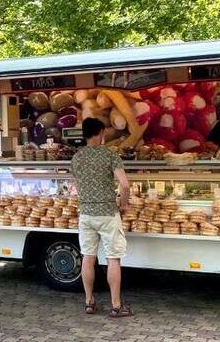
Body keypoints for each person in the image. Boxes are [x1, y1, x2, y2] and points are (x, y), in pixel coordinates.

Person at [71, 117, 132, 318]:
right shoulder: (110, 155)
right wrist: (123, 204)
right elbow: (124, 185)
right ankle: (116, 305)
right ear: (101, 133)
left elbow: (77, 187)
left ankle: (89, 302)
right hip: (107, 213)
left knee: (88, 257)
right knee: (113, 258)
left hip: (86, 213)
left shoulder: (77, 158)